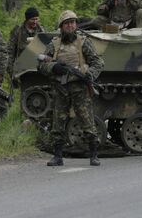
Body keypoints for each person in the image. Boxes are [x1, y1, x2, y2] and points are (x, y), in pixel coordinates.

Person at [38, 10, 105, 166]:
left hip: (80, 88)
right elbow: (41, 65)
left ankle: (94, 155)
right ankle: (57, 156)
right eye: (67, 23)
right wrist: (54, 68)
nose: (70, 26)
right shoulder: (54, 44)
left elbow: (98, 62)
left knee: (87, 121)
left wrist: (90, 74)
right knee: (58, 123)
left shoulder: (83, 42)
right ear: (61, 26)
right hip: (60, 88)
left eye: (73, 23)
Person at [7, 6, 46, 79]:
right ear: (27, 19)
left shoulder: (41, 31)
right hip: (23, 70)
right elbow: (10, 52)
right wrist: (11, 71)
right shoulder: (18, 31)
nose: (35, 22)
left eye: (36, 19)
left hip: (39, 69)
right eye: (32, 19)